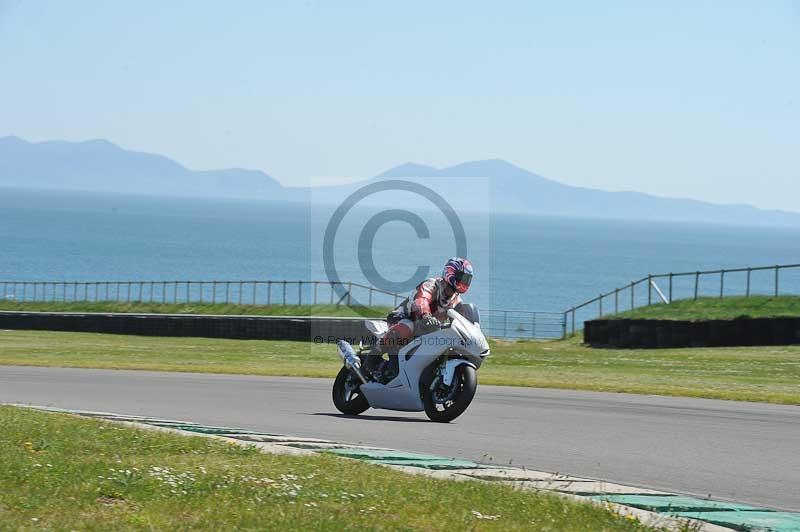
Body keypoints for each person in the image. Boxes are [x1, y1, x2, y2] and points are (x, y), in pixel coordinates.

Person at [366, 257, 474, 382]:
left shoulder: (457, 301)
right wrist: (426, 315)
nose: (465, 282)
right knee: (407, 326)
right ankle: (372, 359)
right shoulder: (433, 284)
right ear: (451, 273)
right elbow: (421, 300)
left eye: (468, 279)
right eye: (463, 277)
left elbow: (463, 321)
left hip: (428, 329)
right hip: (404, 317)